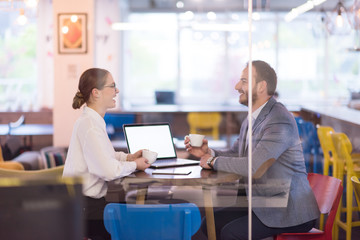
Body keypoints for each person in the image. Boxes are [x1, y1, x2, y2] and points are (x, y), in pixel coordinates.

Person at [185, 60, 320, 240]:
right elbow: (237, 155)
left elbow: (255, 167)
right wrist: (209, 153)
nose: (236, 86)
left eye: (244, 81)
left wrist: (212, 162)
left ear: (261, 86)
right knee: (209, 224)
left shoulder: (279, 119)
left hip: (289, 210)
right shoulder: (252, 118)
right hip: (263, 202)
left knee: (230, 233)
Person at [63, 68, 150, 240]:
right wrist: (135, 165)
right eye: (112, 86)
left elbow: (103, 156)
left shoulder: (92, 121)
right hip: (84, 207)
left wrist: (128, 157)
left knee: (131, 214)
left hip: (85, 203)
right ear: (96, 93)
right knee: (134, 224)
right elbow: (108, 171)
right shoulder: (90, 126)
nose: (116, 91)